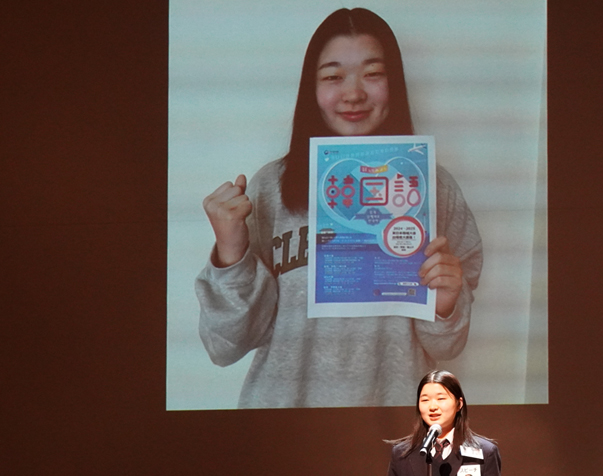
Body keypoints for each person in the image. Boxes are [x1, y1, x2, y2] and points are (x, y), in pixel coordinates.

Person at [195, 8, 482, 408]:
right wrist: (230, 253)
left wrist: (447, 301)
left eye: (373, 73)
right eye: (333, 77)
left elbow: (447, 346)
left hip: (393, 420)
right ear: (311, 90)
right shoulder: (270, 189)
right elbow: (225, 346)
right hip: (282, 421)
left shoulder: (434, 187)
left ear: (395, 84)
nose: (353, 93)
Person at [383, 370, 504, 476]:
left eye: (441, 399)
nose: (433, 407)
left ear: (459, 404)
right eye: (425, 400)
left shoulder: (484, 453)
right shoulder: (402, 454)